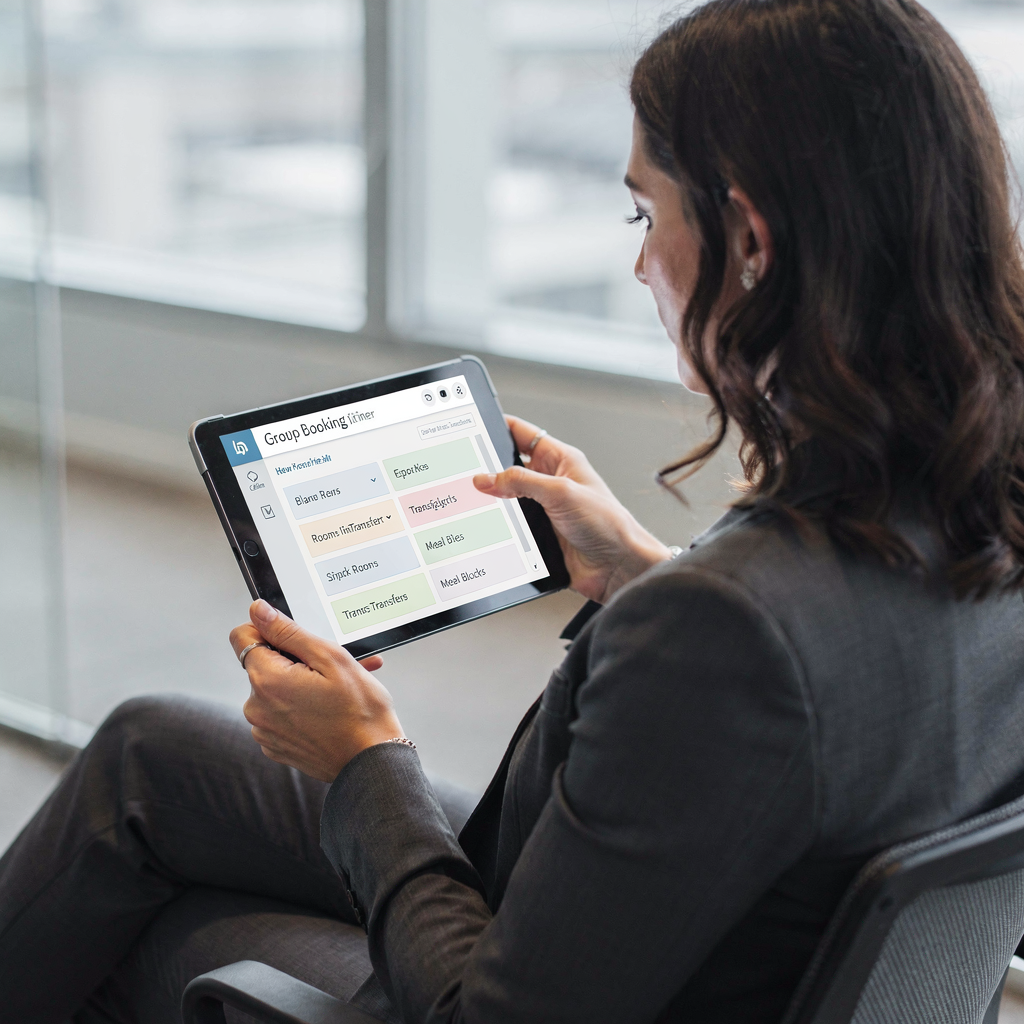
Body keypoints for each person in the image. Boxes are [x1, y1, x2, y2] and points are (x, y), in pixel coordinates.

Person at [4, 0, 1024, 1019]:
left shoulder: (727, 631)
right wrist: (643, 572)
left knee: (152, 927)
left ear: (749, 238)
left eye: (644, 215)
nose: (639, 263)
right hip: (691, 938)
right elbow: (813, 683)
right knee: (149, 753)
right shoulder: (978, 500)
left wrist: (364, 760)